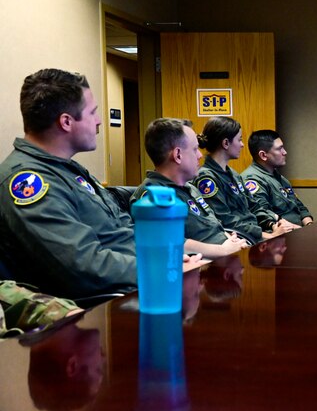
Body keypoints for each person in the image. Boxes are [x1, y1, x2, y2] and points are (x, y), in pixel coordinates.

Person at [0, 69, 136, 298]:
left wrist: (165, 256)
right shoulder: (27, 182)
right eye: (92, 113)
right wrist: (158, 269)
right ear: (66, 122)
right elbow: (82, 266)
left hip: (133, 283)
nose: (99, 121)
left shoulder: (68, 170)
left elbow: (121, 232)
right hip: (93, 311)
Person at [132, 118, 248, 258]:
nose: (200, 155)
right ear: (178, 155)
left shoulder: (190, 187)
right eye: (195, 149)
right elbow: (168, 242)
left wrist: (231, 241)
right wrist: (223, 250)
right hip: (202, 268)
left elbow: (213, 226)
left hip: (227, 254)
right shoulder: (152, 195)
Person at [193, 117, 293, 243]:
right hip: (240, 239)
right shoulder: (207, 179)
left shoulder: (233, 174)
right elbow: (226, 220)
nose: (242, 144)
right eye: (239, 140)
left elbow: (253, 205)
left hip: (254, 233)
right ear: (226, 143)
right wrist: (268, 236)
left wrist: (273, 224)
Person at [241, 129, 313, 228]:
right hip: (277, 236)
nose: (285, 152)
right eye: (280, 149)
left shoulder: (281, 179)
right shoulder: (252, 180)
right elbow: (263, 214)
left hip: (297, 231)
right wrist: (300, 230)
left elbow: (299, 207)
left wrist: (309, 225)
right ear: (263, 155)